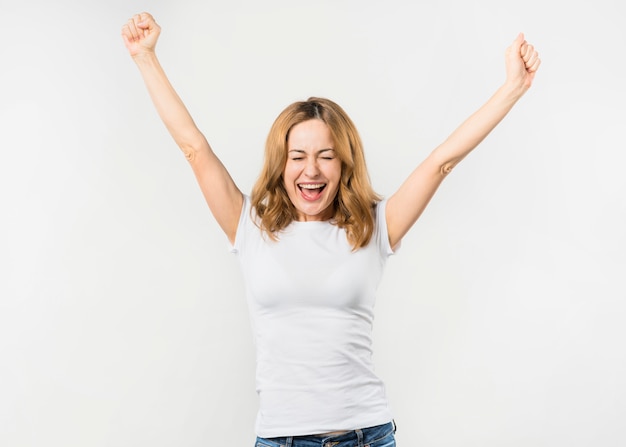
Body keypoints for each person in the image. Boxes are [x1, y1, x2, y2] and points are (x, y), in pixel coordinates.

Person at [121, 11, 540, 447]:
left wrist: (512, 87)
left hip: (365, 436)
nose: (311, 170)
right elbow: (193, 147)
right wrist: (146, 58)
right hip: (279, 439)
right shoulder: (249, 227)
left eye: (326, 155)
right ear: (281, 164)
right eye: (297, 155)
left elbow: (441, 162)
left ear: (344, 163)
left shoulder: (376, 227)